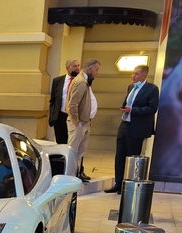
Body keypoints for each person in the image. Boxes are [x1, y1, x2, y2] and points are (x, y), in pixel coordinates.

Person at [105, 65, 159, 193]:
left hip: (137, 128)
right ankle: (118, 184)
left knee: (132, 158)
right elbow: (127, 103)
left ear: (144, 76)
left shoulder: (152, 89)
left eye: (136, 74)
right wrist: (124, 108)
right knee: (120, 157)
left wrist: (132, 110)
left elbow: (152, 109)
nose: (132, 76)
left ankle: (128, 186)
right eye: (132, 73)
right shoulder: (130, 87)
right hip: (124, 126)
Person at [66, 59, 100, 181]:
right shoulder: (81, 82)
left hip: (84, 122)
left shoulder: (85, 81)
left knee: (79, 152)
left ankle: (75, 175)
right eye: (96, 70)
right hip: (78, 123)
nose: (97, 73)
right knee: (73, 152)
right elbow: (72, 104)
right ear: (89, 69)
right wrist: (76, 121)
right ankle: (68, 177)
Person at [49, 59, 80, 144]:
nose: (77, 68)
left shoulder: (81, 81)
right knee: (61, 143)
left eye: (78, 65)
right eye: (74, 66)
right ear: (67, 68)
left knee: (74, 144)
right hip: (60, 117)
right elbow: (53, 100)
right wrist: (52, 114)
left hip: (74, 117)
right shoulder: (57, 81)